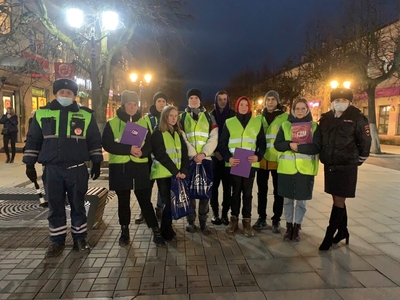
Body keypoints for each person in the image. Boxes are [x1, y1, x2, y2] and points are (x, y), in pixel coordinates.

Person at [23, 78, 103, 258]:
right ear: (56, 94)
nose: (65, 95)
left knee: (78, 205)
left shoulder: (86, 115)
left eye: (69, 93)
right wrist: (29, 163)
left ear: (74, 96)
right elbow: (33, 139)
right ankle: (56, 241)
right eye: (62, 93)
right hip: (52, 169)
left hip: (76, 168)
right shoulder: (42, 114)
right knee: (55, 205)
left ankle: (79, 238)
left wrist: (96, 160)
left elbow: (94, 139)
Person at [102, 90, 165, 247]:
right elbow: (107, 144)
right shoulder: (112, 123)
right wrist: (128, 149)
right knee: (123, 201)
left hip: (139, 167)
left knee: (145, 200)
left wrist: (143, 152)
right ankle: (124, 230)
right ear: (123, 106)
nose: (132, 107)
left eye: (134, 104)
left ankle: (155, 230)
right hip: (120, 168)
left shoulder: (143, 123)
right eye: (129, 104)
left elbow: (150, 144)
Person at [319, 88, 371, 251]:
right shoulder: (326, 118)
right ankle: (343, 231)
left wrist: (358, 160)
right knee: (337, 199)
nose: (340, 102)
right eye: (337, 99)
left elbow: (365, 142)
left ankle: (329, 236)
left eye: (343, 99)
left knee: (338, 200)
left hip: (346, 167)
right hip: (331, 166)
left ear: (349, 102)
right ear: (332, 102)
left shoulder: (357, 118)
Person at [274, 99, 321, 241]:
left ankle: (297, 226)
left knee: (301, 202)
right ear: (293, 110)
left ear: (307, 110)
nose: (300, 111)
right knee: (287, 201)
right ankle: (288, 226)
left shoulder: (313, 127)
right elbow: (277, 145)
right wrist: (290, 145)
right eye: (297, 108)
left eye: (303, 108)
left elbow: (317, 147)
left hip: (304, 170)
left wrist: (299, 148)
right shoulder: (285, 125)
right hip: (287, 170)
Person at [219, 96, 266, 237]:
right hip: (235, 163)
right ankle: (234, 220)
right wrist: (229, 158)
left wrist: (258, 156)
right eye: (241, 104)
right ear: (237, 106)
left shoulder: (257, 122)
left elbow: (262, 144)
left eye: (246, 105)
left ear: (249, 107)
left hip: (250, 164)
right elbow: (222, 144)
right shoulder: (229, 122)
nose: (244, 107)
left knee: (247, 194)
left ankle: (247, 222)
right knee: (235, 193)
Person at [180, 88, 218, 235]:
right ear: (188, 100)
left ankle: (203, 222)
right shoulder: (182, 117)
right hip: (190, 160)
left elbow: (213, 137)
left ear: (200, 100)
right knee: (189, 191)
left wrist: (203, 153)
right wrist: (194, 154)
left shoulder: (209, 117)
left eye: (196, 97)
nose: (194, 100)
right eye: (191, 98)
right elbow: (182, 137)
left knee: (205, 191)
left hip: (205, 160)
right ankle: (191, 222)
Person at [151, 105, 191, 240]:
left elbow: (184, 153)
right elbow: (160, 154)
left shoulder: (178, 132)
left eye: (176, 116)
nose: (174, 118)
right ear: (165, 117)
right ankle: (165, 230)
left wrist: (184, 169)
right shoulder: (157, 133)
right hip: (163, 173)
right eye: (171, 116)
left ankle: (167, 228)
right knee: (168, 202)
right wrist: (176, 171)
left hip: (176, 174)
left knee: (172, 202)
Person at [254, 90, 288, 233]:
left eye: (273, 99)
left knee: (278, 192)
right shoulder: (258, 118)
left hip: (278, 159)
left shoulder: (285, 118)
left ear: (277, 101)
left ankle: (276, 219)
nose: (270, 102)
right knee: (261, 191)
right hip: (261, 160)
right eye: (268, 99)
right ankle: (262, 217)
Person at [134, 91, 168, 224]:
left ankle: (160, 209)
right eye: (159, 101)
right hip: (148, 159)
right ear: (155, 103)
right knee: (146, 187)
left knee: (163, 188)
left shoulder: (168, 118)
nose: (161, 104)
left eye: (163, 101)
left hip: (163, 159)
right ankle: (145, 210)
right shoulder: (146, 119)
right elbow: (139, 138)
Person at [209, 90, 235, 225]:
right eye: (220, 99)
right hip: (214, 157)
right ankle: (215, 213)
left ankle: (225, 214)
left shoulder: (233, 115)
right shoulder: (211, 116)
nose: (222, 102)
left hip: (229, 157)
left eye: (225, 99)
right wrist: (216, 151)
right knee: (214, 187)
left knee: (227, 187)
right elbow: (209, 136)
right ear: (216, 101)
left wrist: (226, 154)